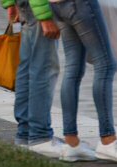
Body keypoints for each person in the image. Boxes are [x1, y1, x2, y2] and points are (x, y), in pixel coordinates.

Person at [50, 0, 117, 162]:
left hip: (56, 5)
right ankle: (108, 140)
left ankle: (71, 144)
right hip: (80, 4)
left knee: (73, 68)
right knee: (106, 65)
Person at [1, 0, 62, 158]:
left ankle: (26, 134)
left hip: (27, 5)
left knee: (28, 67)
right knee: (44, 67)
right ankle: (40, 137)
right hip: (39, 5)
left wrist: (9, 3)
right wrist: (44, 16)